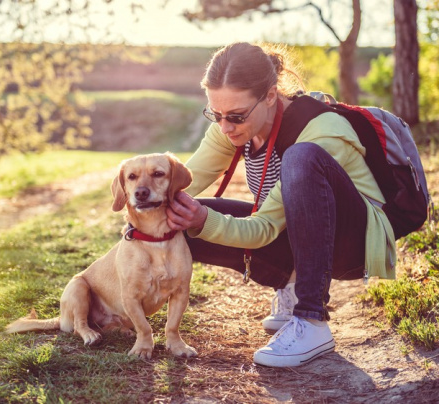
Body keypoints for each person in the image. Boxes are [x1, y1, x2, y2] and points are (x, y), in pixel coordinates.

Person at [166, 42, 396, 368]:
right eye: (215, 114)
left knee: (300, 159)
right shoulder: (231, 126)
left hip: (353, 243)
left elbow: (263, 229)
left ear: (271, 96)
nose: (225, 126)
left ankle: (312, 319)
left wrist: (205, 220)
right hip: (294, 233)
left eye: (235, 115)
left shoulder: (320, 131)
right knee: (176, 217)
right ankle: (290, 285)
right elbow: (181, 183)